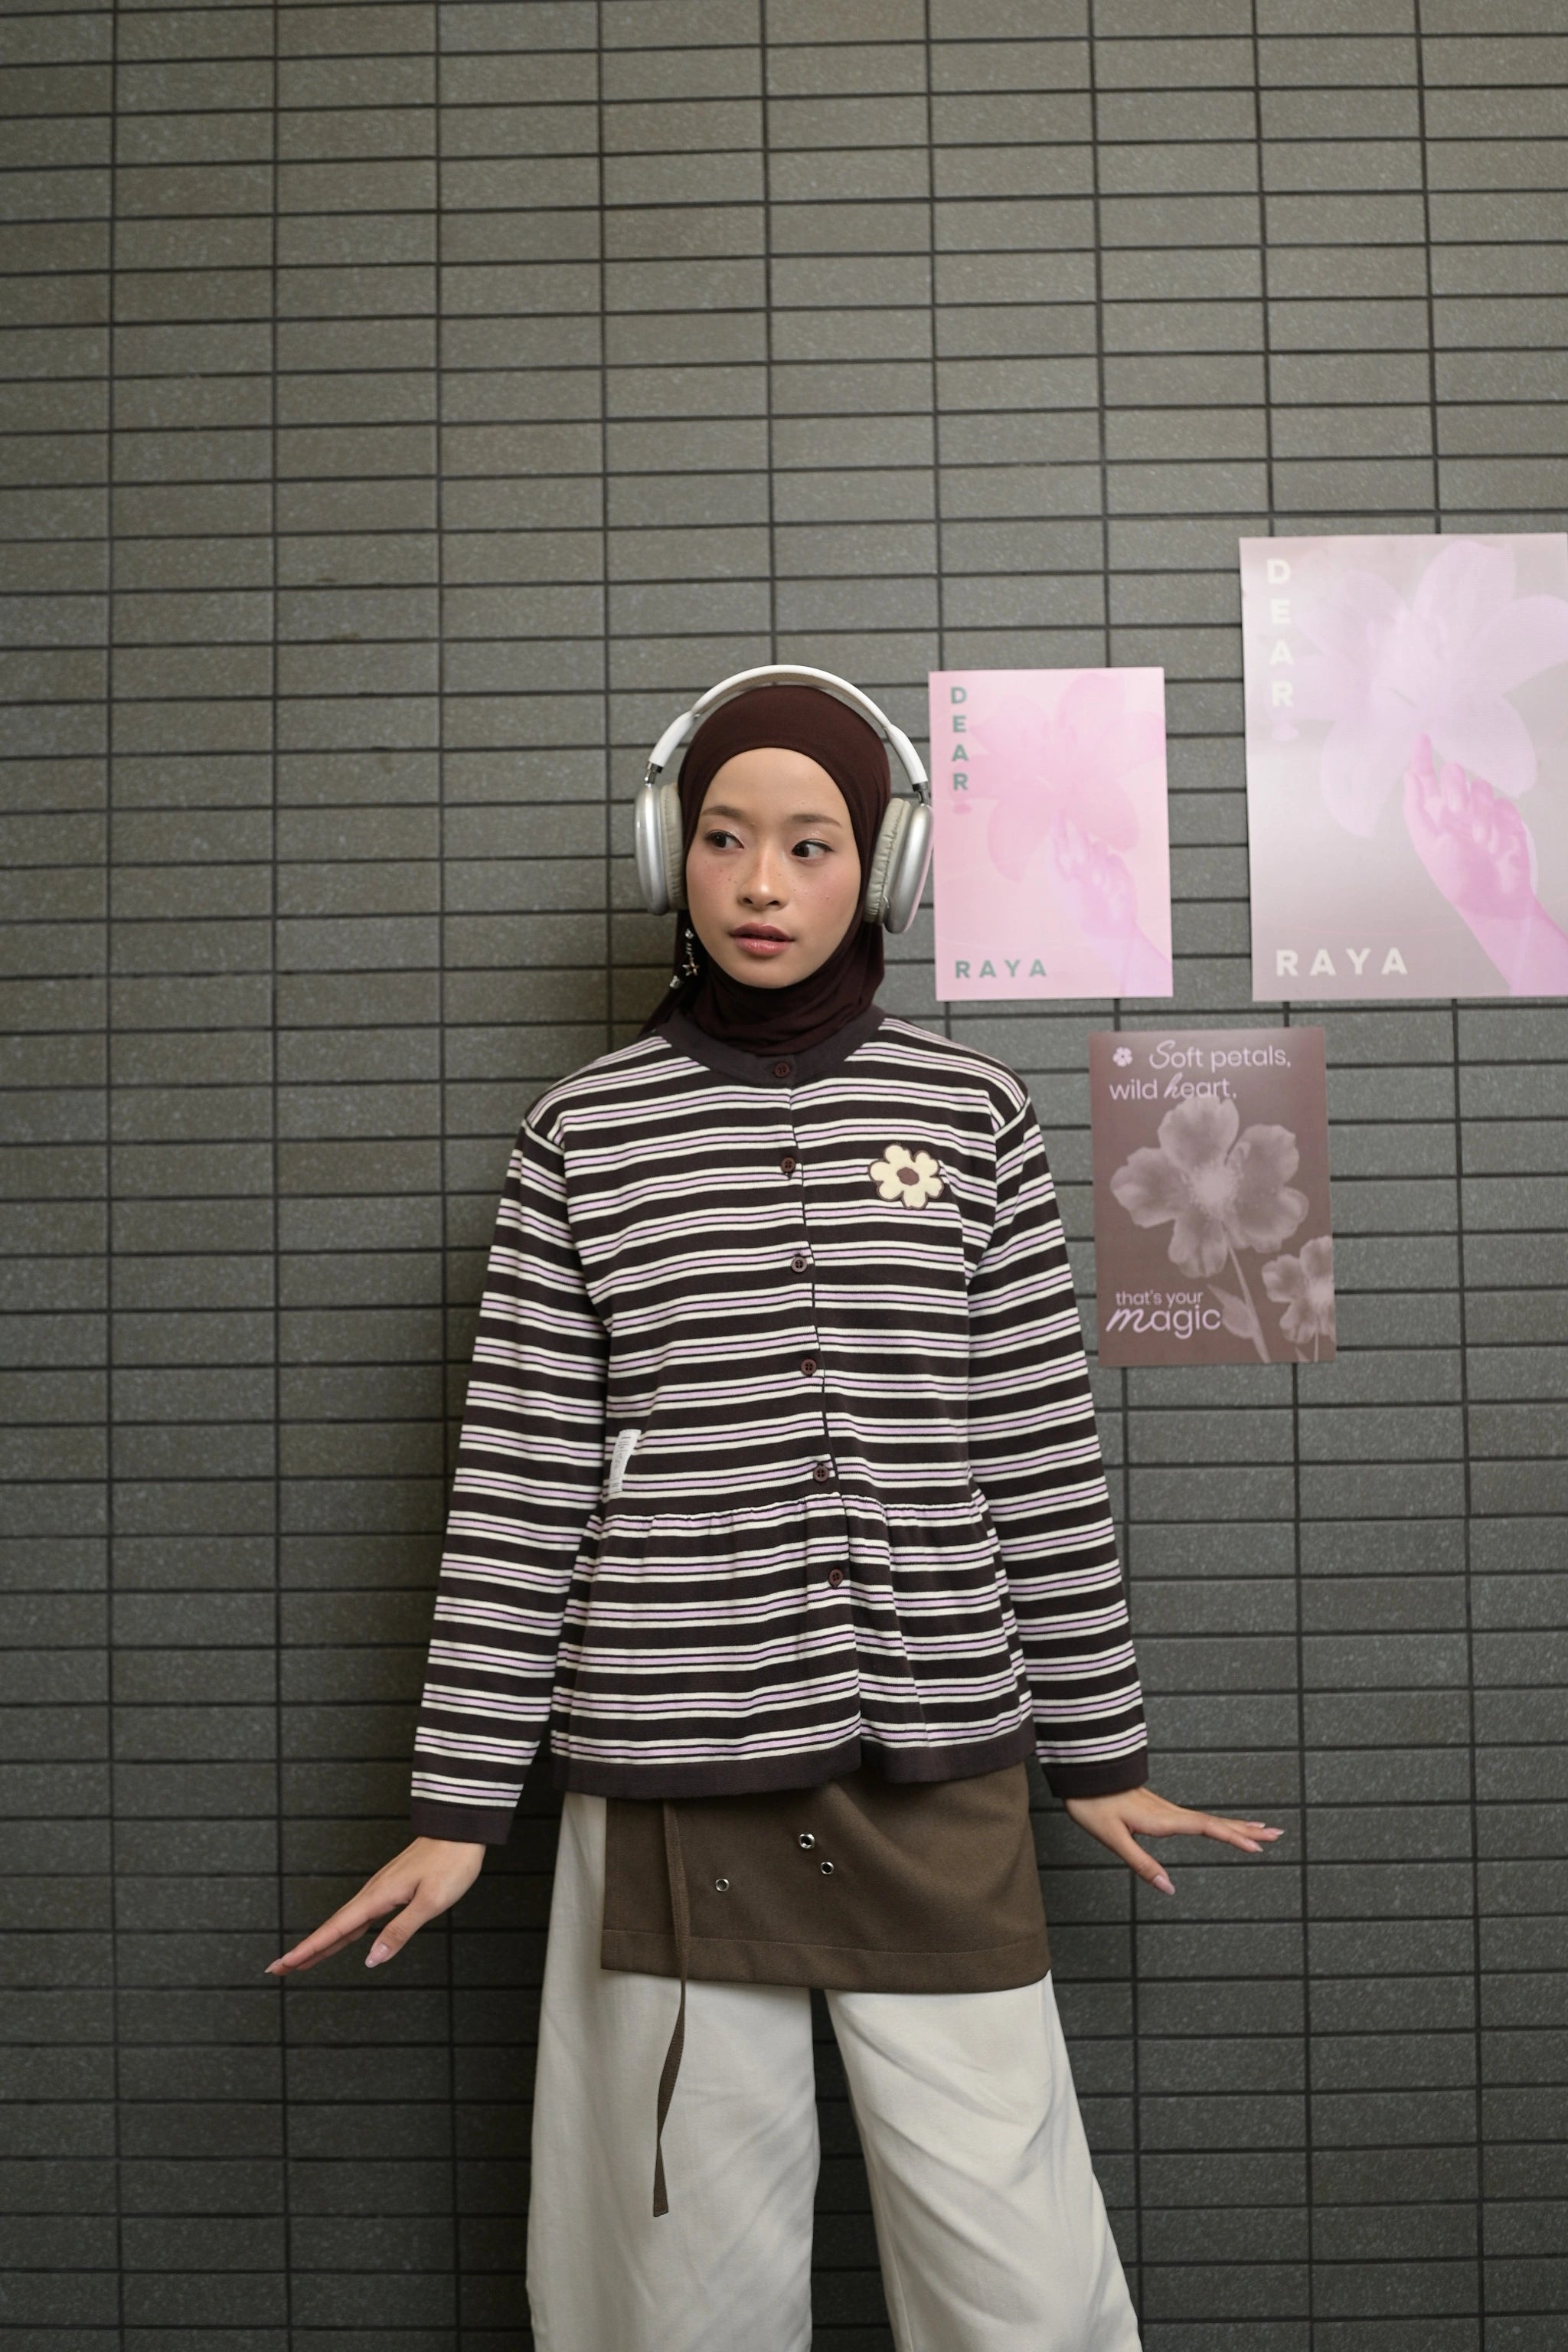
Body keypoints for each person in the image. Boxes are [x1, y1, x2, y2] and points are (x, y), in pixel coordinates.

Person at [268, 672, 1283, 2352]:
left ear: (874, 869)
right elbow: (518, 1484)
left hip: (940, 1762)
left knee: (1017, 2270)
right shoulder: (577, 1137)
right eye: (726, 840)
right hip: (670, 1771)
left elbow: (1035, 1449)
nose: (759, 885)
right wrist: (460, 1804)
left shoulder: (977, 1117)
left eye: (811, 846)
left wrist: (1100, 1750)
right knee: (670, 2277)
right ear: (673, 848)